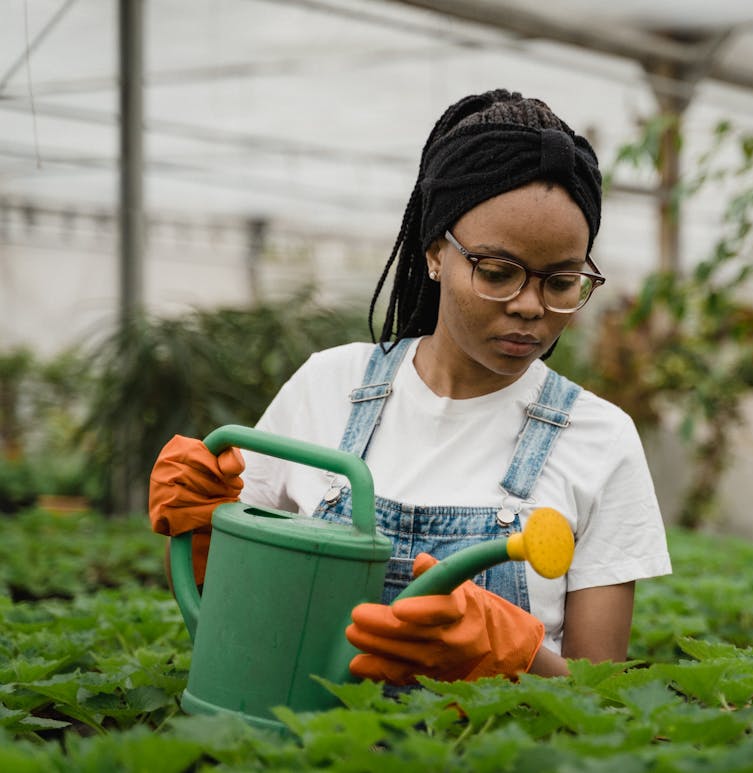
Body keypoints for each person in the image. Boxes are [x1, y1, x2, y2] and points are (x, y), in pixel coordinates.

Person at [147, 89, 672, 685]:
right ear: (434, 253)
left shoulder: (601, 438)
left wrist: (518, 658)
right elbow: (229, 617)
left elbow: (600, 698)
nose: (530, 307)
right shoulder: (328, 386)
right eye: (498, 273)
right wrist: (199, 530)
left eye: (562, 281)